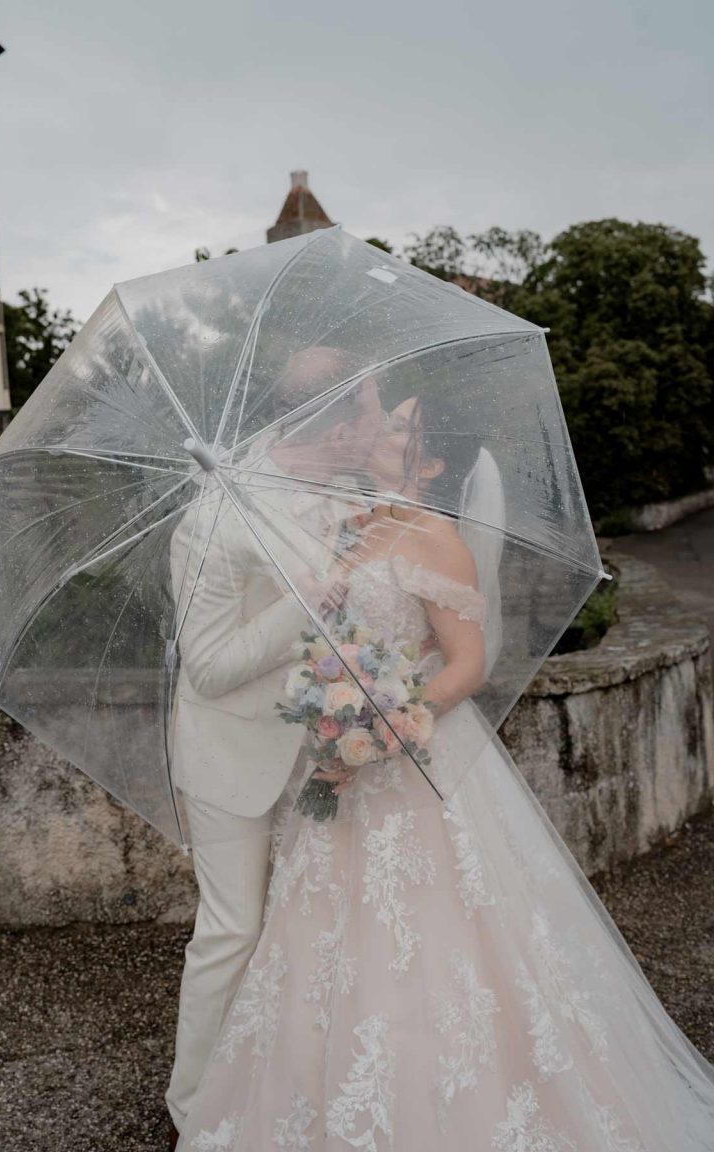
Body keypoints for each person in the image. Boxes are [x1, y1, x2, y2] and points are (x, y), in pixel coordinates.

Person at [175, 390, 714, 1150]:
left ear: (428, 463)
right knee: (318, 947)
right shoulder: (346, 523)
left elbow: (466, 665)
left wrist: (378, 729)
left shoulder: (437, 538)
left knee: (438, 947)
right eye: (381, 419)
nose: (376, 431)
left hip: (410, 765)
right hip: (335, 773)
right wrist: (334, 719)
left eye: (396, 428)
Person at [165, 346, 383, 1144]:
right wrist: (306, 604)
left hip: (327, 742)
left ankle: (294, 1094)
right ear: (331, 421)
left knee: (322, 926)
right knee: (235, 931)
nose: (381, 428)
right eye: (369, 413)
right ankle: (193, 1110)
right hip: (233, 752)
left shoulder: (352, 493)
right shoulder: (215, 516)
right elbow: (211, 666)